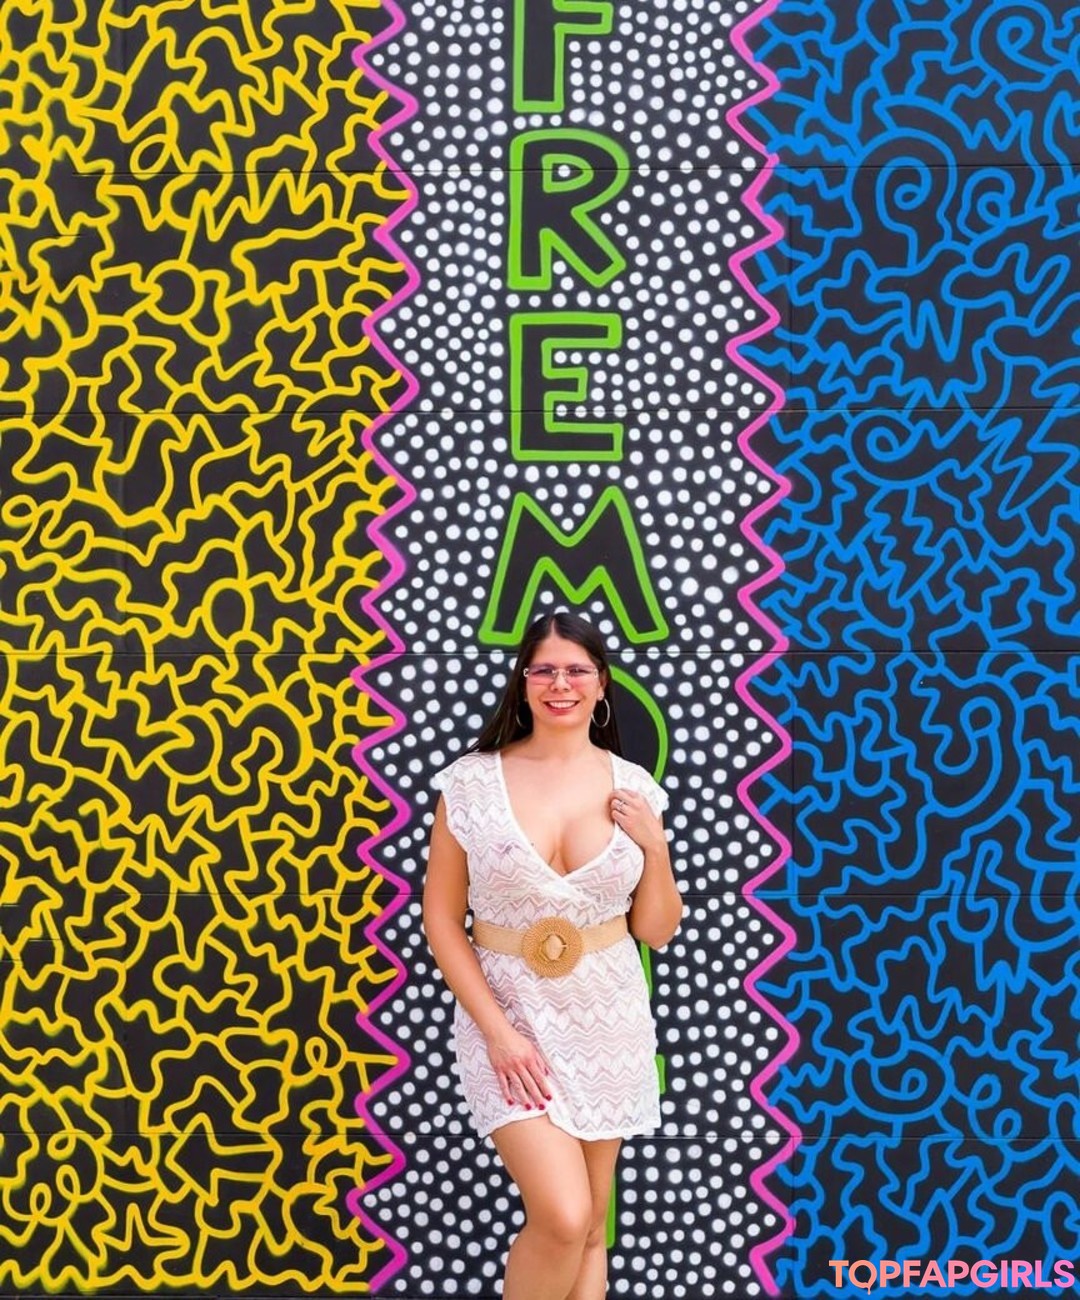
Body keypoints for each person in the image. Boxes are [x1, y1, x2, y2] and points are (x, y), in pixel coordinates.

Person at [422, 610, 683, 1300]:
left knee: (592, 1226)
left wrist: (655, 847)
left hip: (608, 1023)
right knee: (563, 1216)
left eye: (576, 670)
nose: (559, 684)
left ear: (601, 684)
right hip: (508, 1020)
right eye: (543, 670)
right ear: (522, 682)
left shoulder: (634, 789)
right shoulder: (470, 784)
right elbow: (442, 921)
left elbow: (655, 930)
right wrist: (499, 1035)